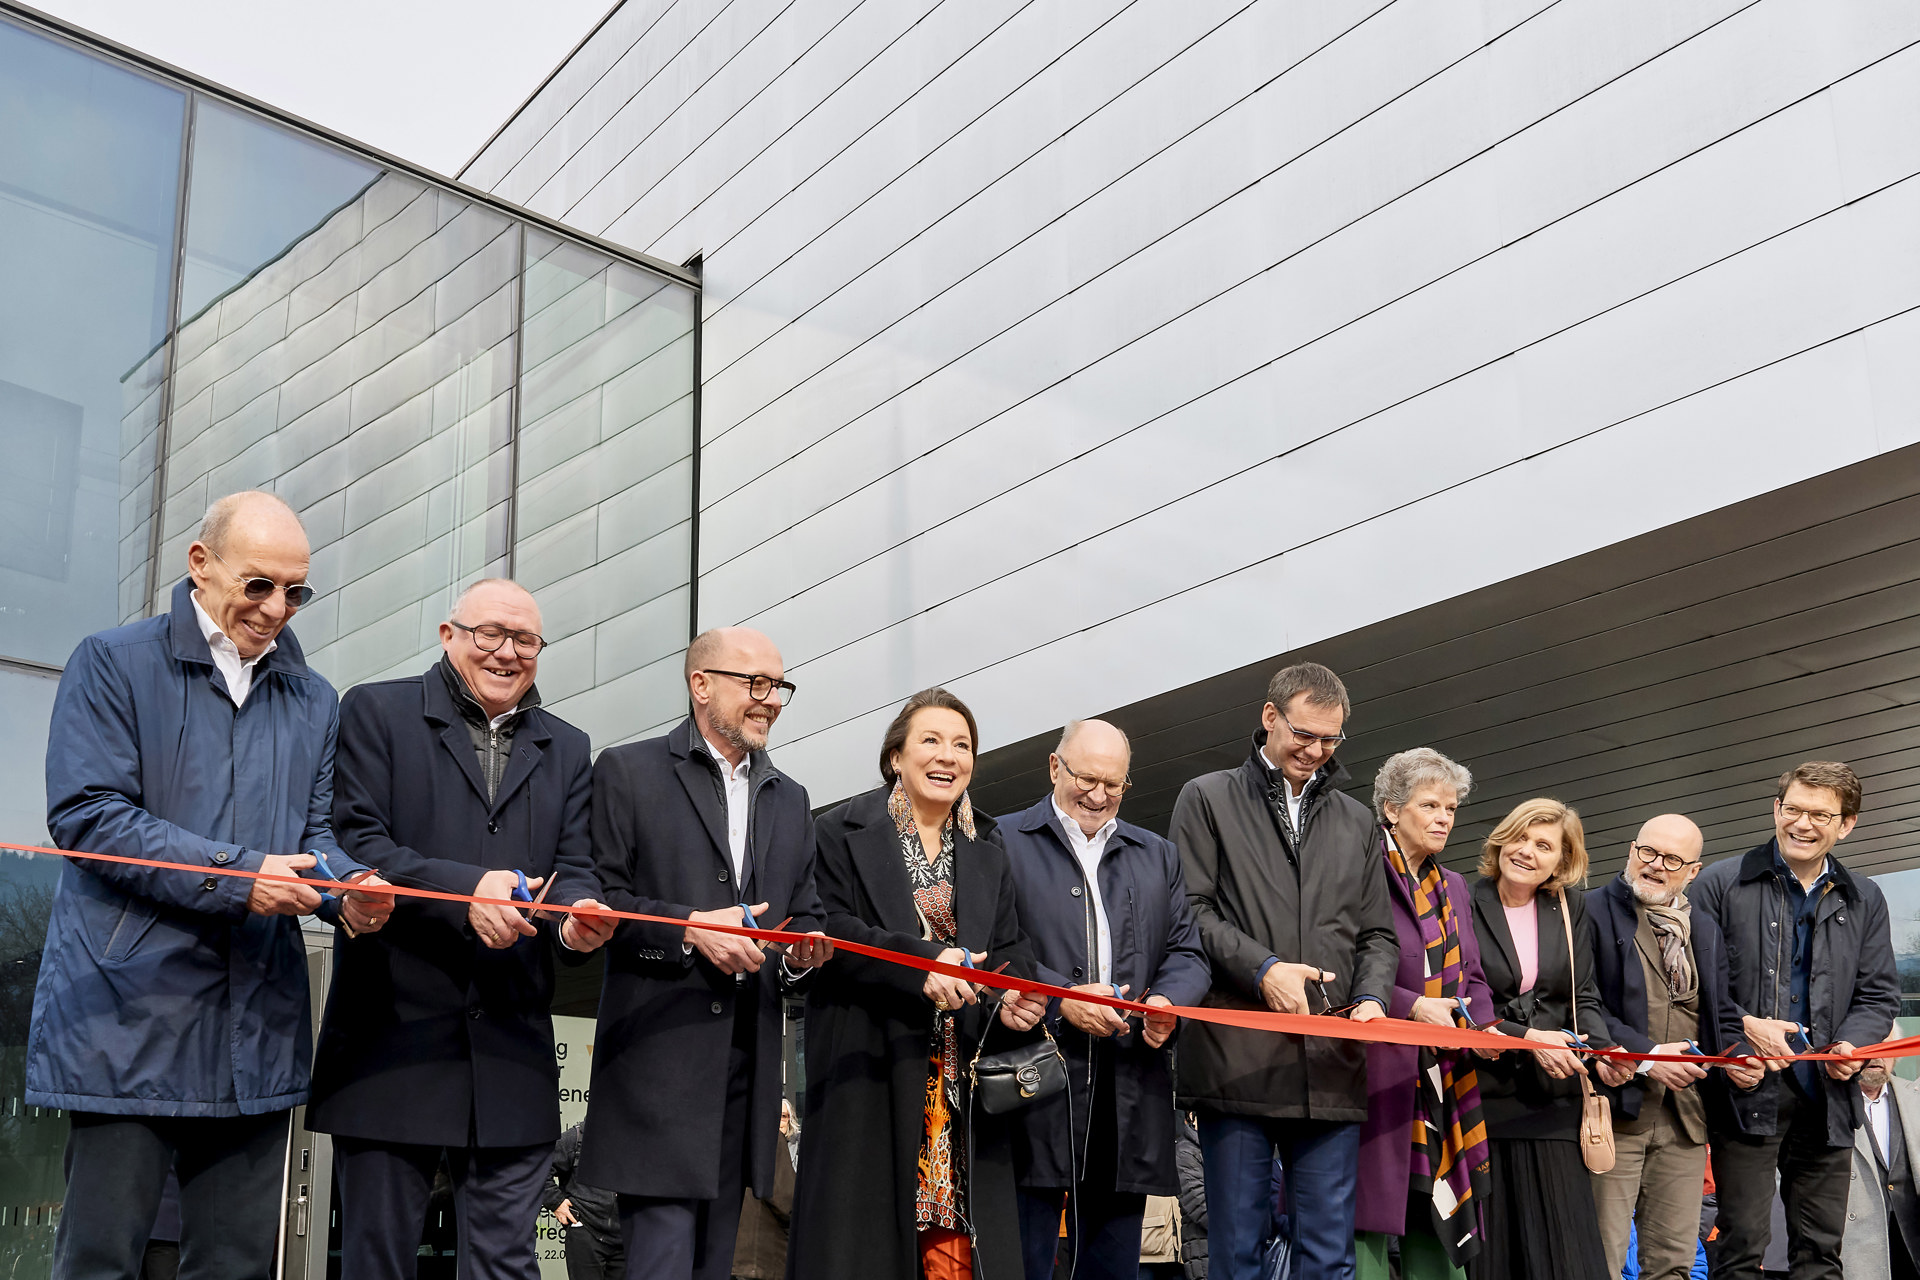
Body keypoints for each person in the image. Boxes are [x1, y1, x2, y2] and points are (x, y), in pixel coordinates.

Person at [31, 490, 392, 1280]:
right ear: (200, 563)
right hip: (130, 1016)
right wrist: (240, 878)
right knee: (100, 1261)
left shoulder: (314, 699)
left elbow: (314, 839)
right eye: (258, 584)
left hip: (255, 1024)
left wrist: (351, 890)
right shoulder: (112, 661)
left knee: (237, 1266)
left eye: (295, 591)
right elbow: (88, 816)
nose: (276, 608)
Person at [309, 578, 617, 1280]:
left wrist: (575, 923)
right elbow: (359, 842)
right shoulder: (376, 711)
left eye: (526, 640)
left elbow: (574, 868)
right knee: (378, 1262)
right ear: (449, 635)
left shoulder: (568, 746)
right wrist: (465, 892)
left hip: (511, 1051)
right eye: (490, 634)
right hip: (392, 1042)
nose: (508, 652)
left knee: (506, 1264)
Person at [581, 628, 835, 1280]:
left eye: (779, 686)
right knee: (660, 1263)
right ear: (701, 684)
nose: (771, 699)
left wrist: (802, 955)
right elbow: (602, 901)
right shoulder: (627, 771)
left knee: (715, 1266)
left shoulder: (791, 798)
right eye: (756, 683)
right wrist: (690, 930)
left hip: (747, 1073)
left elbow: (804, 913)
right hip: (657, 1067)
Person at [786, 687, 1049, 1280]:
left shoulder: (988, 845)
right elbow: (830, 927)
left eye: (962, 745)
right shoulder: (837, 830)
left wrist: (1013, 995)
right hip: (870, 1068)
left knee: (960, 1251)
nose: (948, 756)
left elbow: (1011, 949)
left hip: (964, 1085)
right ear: (895, 757)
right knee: (863, 1249)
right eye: (931, 740)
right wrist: (923, 964)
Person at [1171, 661, 1399, 1280]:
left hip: (1331, 1062)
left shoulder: (1357, 820)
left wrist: (1372, 998)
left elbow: (1378, 934)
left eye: (1330, 739)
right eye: (1304, 734)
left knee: (1329, 1257)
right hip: (1236, 1058)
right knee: (1237, 1253)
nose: (1316, 751)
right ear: (1269, 717)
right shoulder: (1207, 797)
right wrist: (1264, 969)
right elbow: (1191, 909)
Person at [998, 718, 1210, 1280]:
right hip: (1035, 1081)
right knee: (1022, 1257)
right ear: (1054, 767)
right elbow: (995, 945)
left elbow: (1187, 952)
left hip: (1129, 1081)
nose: (1098, 795)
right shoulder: (1003, 840)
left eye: (1114, 784)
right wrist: (1062, 999)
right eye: (1086, 779)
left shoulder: (1157, 853)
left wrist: (1166, 1004)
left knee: (1114, 1262)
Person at [1693, 761, 1900, 1280]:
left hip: (1827, 1099)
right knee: (1740, 1248)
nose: (1802, 824)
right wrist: (1745, 1030)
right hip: (1745, 1093)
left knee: (1821, 1253)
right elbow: (1695, 989)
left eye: (1820, 815)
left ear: (1846, 825)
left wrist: (1851, 1045)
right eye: (1793, 809)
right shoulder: (1720, 883)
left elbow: (1878, 995)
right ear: (1776, 809)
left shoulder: (1866, 896)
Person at [1587, 813, 1759, 1280]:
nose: (1656, 865)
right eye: (1648, 852)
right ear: (1631, 850)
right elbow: (1583, 1004)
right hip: (1615, 1114)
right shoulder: (1589, 910)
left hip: (1686, 1120)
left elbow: (1720, 1012)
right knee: (1599, 1260)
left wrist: (1740, 1057)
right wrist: (1645, 1057)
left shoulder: (1703, 926)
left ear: (1693, 871)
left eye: (1672, 859)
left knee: (1674, 1265)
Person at [1352, 748, 1496, 1280]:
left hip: (1443, 1073)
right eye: (1430, 805)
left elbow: (1473, 977)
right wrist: (1412, 1007)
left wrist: (1485, 1030)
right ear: (1392, 809)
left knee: (1438, 1220)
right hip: (1376, 1071)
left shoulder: (1453, 885)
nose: (1443, 819)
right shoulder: (1359, 866)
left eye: (1450, 809)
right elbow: (1344, 962)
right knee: (1365, 1223)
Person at [1466, 797, 1622, 1280]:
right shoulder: (1463, 900)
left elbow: (1583, 994)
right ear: (1500, 840)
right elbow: (1464, 999)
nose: (1526, 851)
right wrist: (1530, 1038)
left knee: (1565, 1251)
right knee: (1494, 1255)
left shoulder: (1570, 907)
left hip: (1554, 1097)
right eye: (1519, 837)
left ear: (1562, 860)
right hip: (1485, 1092)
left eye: (1543, 845)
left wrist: (1604, 1051)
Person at [1842, 1054, 1920, 1280]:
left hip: (1913, 1237)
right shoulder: (1830, 1102)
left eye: (1885, 1047)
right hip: (1859, 1242)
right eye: (1868, 1047)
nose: (1876, 1056)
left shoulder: (1914, 1096)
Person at [546, 1122, 623, 1280]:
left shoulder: (636, 1139)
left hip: (626, 1236)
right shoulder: (576, 1137)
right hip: (586, 1230)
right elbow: (540, 1171)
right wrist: (556, 1202)